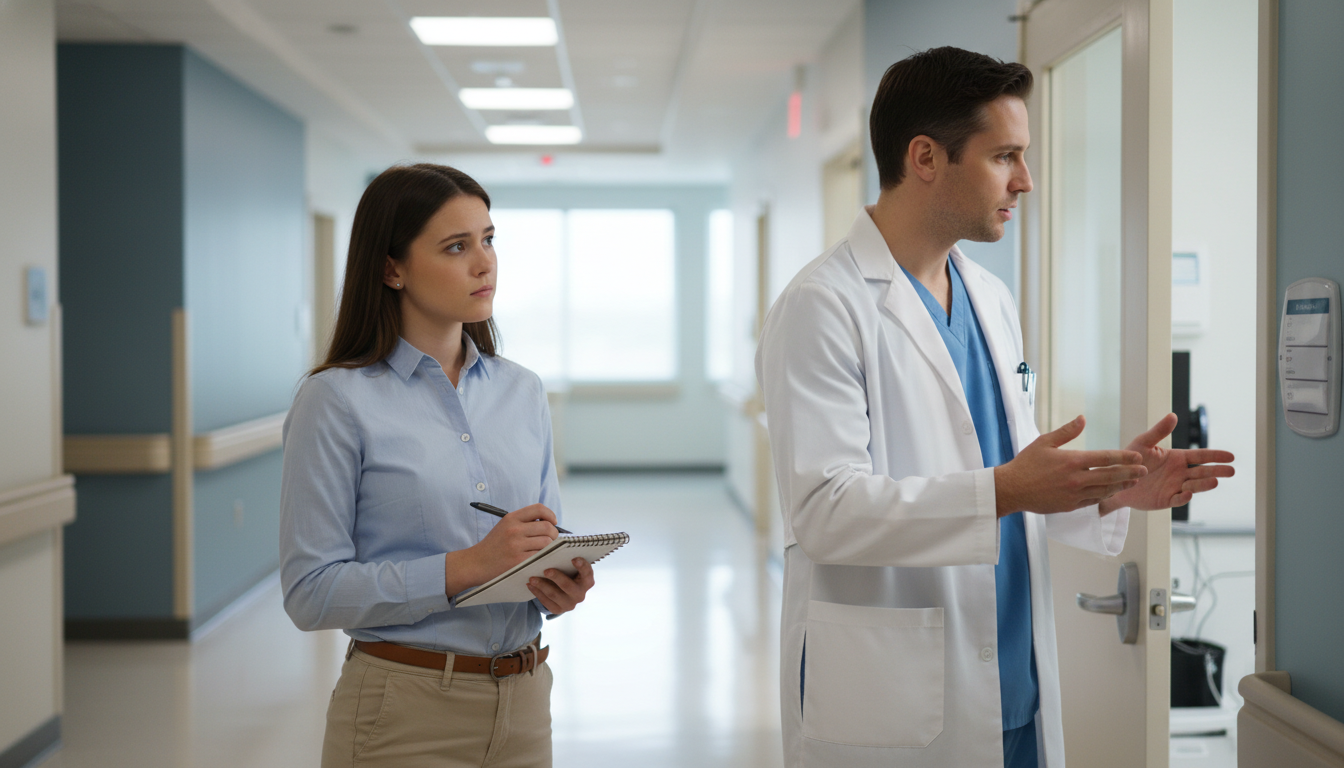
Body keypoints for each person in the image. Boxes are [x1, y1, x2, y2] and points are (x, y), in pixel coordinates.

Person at [755, 47, 1235, 768]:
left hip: (1015, 686)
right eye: (1005, 155)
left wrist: (1108, 489)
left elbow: (1005, 471)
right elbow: (826, 510)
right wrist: (1008, 488)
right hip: (897, 698)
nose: (1027, 180)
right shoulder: (823, 306)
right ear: (925, 157)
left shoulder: (990, 298)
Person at [279, 163, 594, 768]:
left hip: (526, 705)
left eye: (488, 239)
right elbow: (309, 593)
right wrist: (467, 567)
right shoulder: (337, 400)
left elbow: (540, 534)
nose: (484, 263)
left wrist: (558, 582)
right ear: (391, 268)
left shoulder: (522, 391)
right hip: (405, 715)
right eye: (457, 246)